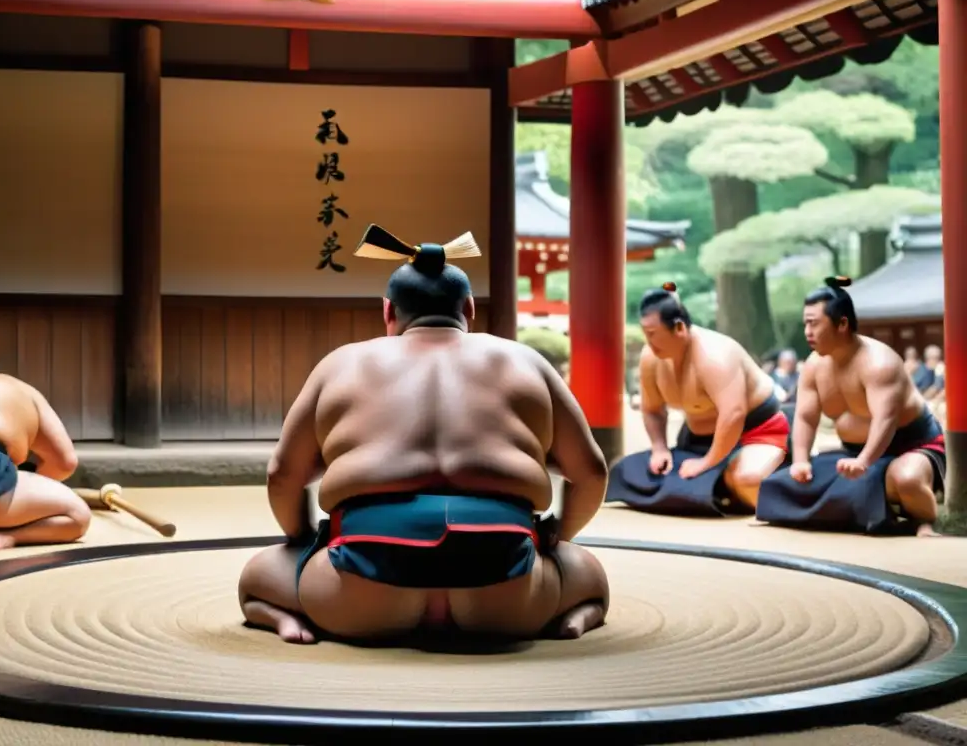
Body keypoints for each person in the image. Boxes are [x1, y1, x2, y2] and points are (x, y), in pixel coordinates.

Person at [237, 225, 610, 645]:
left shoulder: (342, 364)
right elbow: (592, 472)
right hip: (506, 589)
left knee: (257, 577)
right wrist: (558, 535)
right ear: (468, 309)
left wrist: (302, 542)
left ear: (388, 312)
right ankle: (572, 615)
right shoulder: (525, 361)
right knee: (587, 572)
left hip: (360, 590)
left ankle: (288, 618)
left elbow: (282, 475)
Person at [755, 277, 945, 537]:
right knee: (776, 484)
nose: (807, 332)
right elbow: (806, 417)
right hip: (852, 452)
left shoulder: (880, 363)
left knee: (906, 479)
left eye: (814, 323)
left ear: (842, 323)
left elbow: (885, 421)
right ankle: (871, 499)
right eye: (805, 324)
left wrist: (865, 461)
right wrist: (800, 461)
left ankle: (925, 520)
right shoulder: (813, 365)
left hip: (911, 446)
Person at [606, 283, 790, 516]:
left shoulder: (715, 355)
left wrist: (705, 464)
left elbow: (733, 415)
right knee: (624, 471)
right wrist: (660, 448)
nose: (648, 341)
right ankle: (718, 486)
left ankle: (754, 475)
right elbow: (652, 410)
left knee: (747, 480)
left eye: (652, 334)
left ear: (679, 327)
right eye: (644, 333)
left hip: (756, 433)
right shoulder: (651, 358)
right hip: (696, 442)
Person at [0, 344, 91, 550]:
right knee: (77, 516)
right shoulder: (16, 387)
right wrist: (26, 494)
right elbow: (65, 462)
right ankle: (8, 535)